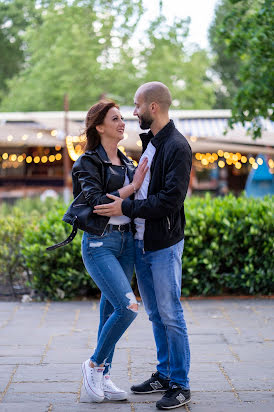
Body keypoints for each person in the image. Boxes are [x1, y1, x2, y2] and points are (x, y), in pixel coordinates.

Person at [93, 82, 192, 410]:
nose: (132, 113)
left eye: (136, 106)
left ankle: (180, 383)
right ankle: (164, 374)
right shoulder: (150, 145)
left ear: (153, 107)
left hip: (163, 244)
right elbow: (140, 187)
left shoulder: (177, 146)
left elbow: (169, 201)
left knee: (170, 313)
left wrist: (126, 208)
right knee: (155, 314)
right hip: (142, 244)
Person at [72, 100, 148, 403]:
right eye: (114, 119)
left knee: (109, 313)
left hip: (126, 243)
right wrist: (133, 187)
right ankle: (93, 364)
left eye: (122, 118)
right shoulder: (88, 162)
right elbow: (96, 202)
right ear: (99, 127)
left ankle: (102, 376)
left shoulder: (128, 162)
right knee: (128, 307)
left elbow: (128, 202)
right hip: (100, 243)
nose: (122, 123)